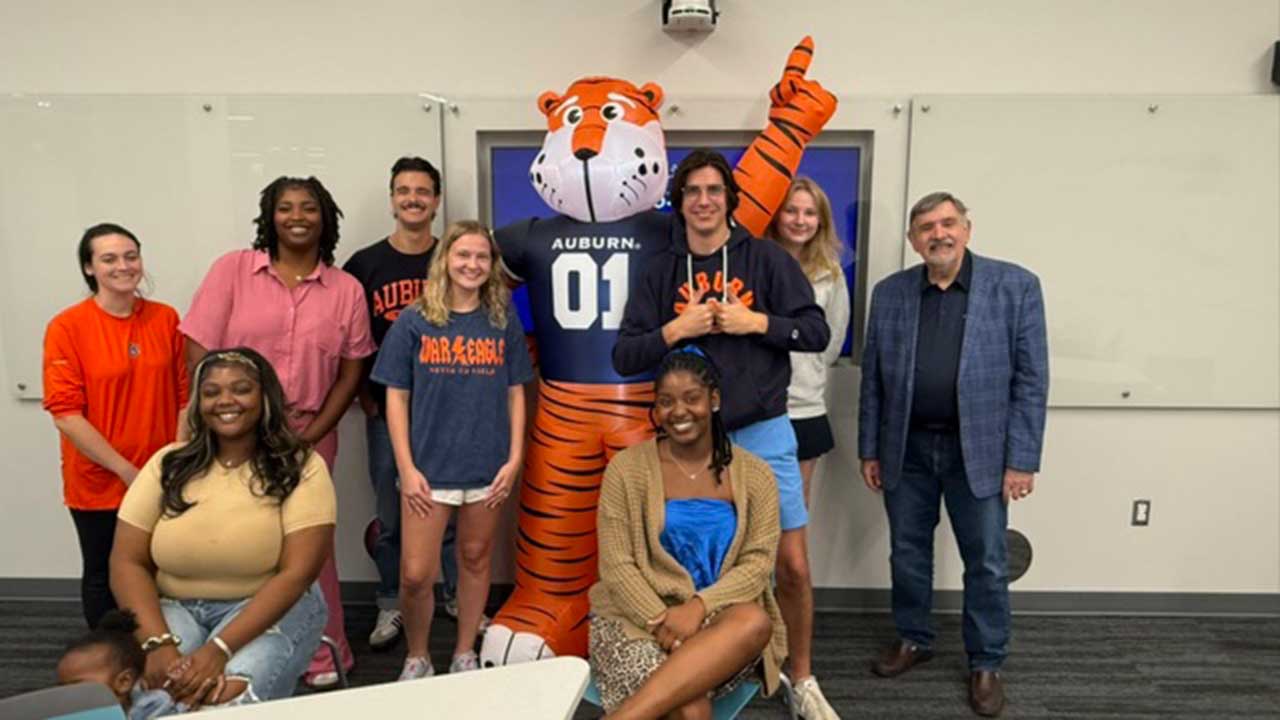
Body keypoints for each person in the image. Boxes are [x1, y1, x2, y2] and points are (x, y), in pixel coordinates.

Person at [483, 39, 837, 666]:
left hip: (659, 408)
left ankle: (686, 635)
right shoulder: (531, 235)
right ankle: (550, 603)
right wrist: (516, 345)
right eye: (574, 123)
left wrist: (787, 129)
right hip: (567, 405)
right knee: (559, 516)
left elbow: (740, 205)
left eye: (612, 122)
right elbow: (474, 277)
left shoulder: (669, 234)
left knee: (661, 531)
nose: (590, 142)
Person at [613, 150, 834, 714]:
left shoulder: (765, 260)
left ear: (730, 200)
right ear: (679, 202)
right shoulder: (661, 271)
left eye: (714, 190)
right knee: (688, 560)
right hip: (683, 443)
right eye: (693, 192)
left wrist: (756, 322)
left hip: (760, 432)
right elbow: (624, 355)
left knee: (791, 564)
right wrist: (675, 328)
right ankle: (699, 664)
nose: (704, 201)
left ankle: (802, 678)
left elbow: (814, 331)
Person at [180, 176, 375, 687]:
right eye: (285, 207)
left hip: (309, 434)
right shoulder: (232, 271)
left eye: (308, 207)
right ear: (270, 216)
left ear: (324, 217)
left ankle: (320, 652)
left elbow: (352, 371)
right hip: (232, 433)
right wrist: (214, 420)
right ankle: (229, 645)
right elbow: (199, 350)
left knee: (310, 547)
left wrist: (312, 439)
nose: (297, 216)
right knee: (240, 538)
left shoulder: (346, 290)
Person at [859, 192, 1048, 717]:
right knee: (908, 551)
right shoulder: (891, 293)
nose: (937, 234)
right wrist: (870, 448)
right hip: (908, 447)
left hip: (980, 451)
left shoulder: (1015, 286)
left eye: (947, 223)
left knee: (986, 559)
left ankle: (986, 661)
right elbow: (873, 379)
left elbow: (1032, 381)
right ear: (913, 240)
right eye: (925, 227)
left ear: (966, 228)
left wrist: (1022, 459)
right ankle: (914, 638)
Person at [109, 348, 333, 708]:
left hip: (270, 604)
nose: (225, 400)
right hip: (176, 606)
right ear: (199, 403)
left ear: (265, 397)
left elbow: (298, 573)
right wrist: (157, 645)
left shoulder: (302, 466)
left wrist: (219, 649)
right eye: (212, 392)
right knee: (154, 695)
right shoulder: (167, 464)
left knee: (223, 700)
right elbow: (126, 561)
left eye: (241, 389)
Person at [372, 220, 533, 680]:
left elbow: (516, 392)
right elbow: (395, 395)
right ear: (445, 261)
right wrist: (406, 466)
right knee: (416, 574)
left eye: (482, 257)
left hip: (487, 467)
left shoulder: (502, 319)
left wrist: (514, 458)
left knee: (475, 558)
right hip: (427, 469)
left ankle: (464, 651)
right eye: (463, 255)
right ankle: (418, 655)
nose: (472, 265)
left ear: (492, 265)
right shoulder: (416, 318)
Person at [589, 348, 785, 719]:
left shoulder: (756, 475)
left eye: (691, 398)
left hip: (720, 623)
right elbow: (616, 566)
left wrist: (699, 608)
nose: (678, 411)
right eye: (666, 402)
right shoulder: (626, 469)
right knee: (691, 705)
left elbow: (758, 564)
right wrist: (666, 623)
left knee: (755, 621)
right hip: (635, 620)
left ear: (714, 400)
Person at [42, 222, 188, 629]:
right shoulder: (67, 327)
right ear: (90, 268)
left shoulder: (165, 318)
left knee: (161, 572)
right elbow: (66, 414)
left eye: (130, 256)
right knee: (104, 573)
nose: (123, 266)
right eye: (109, 259)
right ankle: (111, 664)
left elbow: (184, 396)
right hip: (99, 481)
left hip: (161, 476)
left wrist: (174, 460)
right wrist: (126, 471)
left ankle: (159, 657)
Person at [342, 156, 451, 649]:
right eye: (404, 190)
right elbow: (352, 341)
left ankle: (446, 593)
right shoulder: (364, 265)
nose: (413, 198)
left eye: (422, 191)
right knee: (391, 513)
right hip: (387, 410)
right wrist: (365, 398)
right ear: (392, 199)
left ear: (436, 200)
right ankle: (390, 602)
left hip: (447, 409)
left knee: (447, 506)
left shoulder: (454, 260)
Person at [764, 176, 850, 719]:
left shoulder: (829, 274)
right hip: (752, 414)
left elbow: (832, 341)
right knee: (740, 543)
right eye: (791, 211)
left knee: (790, 551)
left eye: (809, 212)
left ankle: (797, 672)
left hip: (804, 413)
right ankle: (751, 650)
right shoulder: (755, 262)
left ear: (820, 221)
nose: (799, 220)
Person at [56, 609, 181, 719]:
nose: (69, 696)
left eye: (78, 687)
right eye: (63, 689)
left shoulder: (154, 707)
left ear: (124, 681)